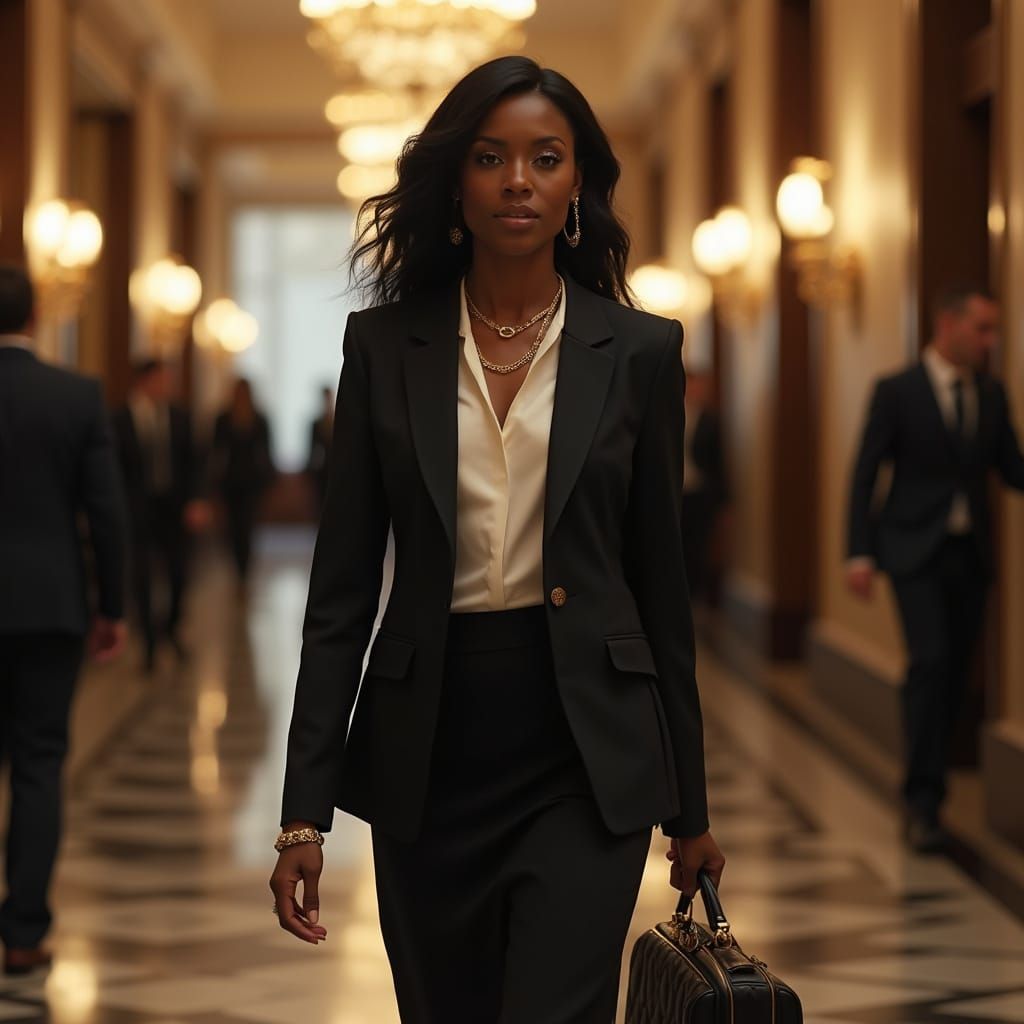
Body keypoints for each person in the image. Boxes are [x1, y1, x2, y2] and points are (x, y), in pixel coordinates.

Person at [269, 56, 723, 1023]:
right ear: (455, 185)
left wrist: (690, 808)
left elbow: (662, 589)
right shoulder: (383, 349)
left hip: (586, 750)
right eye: (490, 157)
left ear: (576, 185)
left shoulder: (640, 353)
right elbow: (340, 595)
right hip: (430, 749)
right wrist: (301, 815)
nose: (519, 180)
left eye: (545, 158)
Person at [846, 288, 1024, 853]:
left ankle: (930, 785)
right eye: (983, 328)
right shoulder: (898, 390)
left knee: (955, 674)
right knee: (931, 661)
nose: (991, 341)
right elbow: (865, 472)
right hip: (911, 551)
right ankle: (923, 801)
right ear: (948, 324)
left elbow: (1012, 468)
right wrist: (859, 553)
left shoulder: (990, 394)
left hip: (970, 556)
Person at [0, 265, 127, 975]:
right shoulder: (74, 396)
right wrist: (114, 607)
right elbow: (105, 511)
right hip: (50, 607)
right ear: (36, 315)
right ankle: (23, 933)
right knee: (40, 764)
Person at [112, 359, 206, 671]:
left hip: (174, 509)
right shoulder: (120, 418)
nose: (166, 386)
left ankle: (170, 627)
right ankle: (149, 643)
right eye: (161, 380)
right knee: (141, 576)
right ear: (144, 381)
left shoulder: (179, 416)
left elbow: (194, 462)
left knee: (179, 573)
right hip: (136, 509)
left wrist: (196, 500)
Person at [210, 379, 274, 584]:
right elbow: (216, 452)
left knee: (246, 528)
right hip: (230, 483)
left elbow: (266, 454)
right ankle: (239, 568)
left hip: (252, 483)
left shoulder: (259, 419)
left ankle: (243, 572)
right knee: (233, 529)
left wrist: (266, 481)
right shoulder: (223, 419)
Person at [681, 370, 729, 602]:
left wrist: (724, 500)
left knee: (698, 545)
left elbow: (719, 461)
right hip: (675, 492)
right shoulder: (668, 414)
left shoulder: (710, 420)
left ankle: (695, 595)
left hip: (700, 493)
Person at [305, 385, 334, 512]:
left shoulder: (338, 421)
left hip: (334, 470)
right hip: (321, 473)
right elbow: (312, 451)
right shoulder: (316, 424)